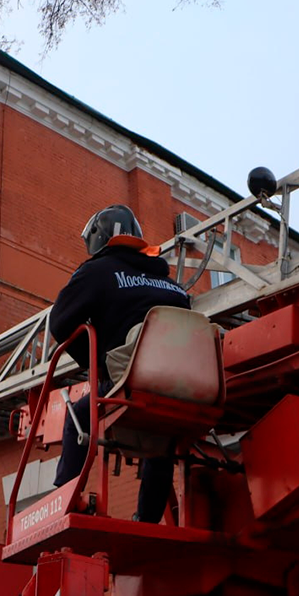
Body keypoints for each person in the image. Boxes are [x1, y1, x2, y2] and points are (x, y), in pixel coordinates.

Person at [49, 204, 191, 522]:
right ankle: (149, 519)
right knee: (161, 436)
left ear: (99, 240)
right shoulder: (176, 288)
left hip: (134, 378)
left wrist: (99, 363)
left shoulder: (97, 272)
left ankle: (63, 500)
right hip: (188, 385)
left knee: (77, 417)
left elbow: (59, 323)